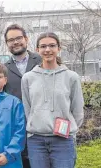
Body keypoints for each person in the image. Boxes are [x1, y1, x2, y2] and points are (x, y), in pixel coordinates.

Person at [21, 32, 84, 168]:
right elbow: (27, 108)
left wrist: (70, 131)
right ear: (37, 50)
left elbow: (77, 109)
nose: (47, 49)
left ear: (58, 48)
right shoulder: (28, 78)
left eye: (52, 46)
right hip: (36, 141)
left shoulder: (71, 77)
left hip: (63, 140)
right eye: (43, 46)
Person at [3, 24, 41, 168]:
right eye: (11, 40)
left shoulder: (41, 61)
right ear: (7, 44)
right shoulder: (3, 68)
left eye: (19, 38)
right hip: (17, 128)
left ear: (26, 39)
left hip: (41, 127)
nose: (15, 42)